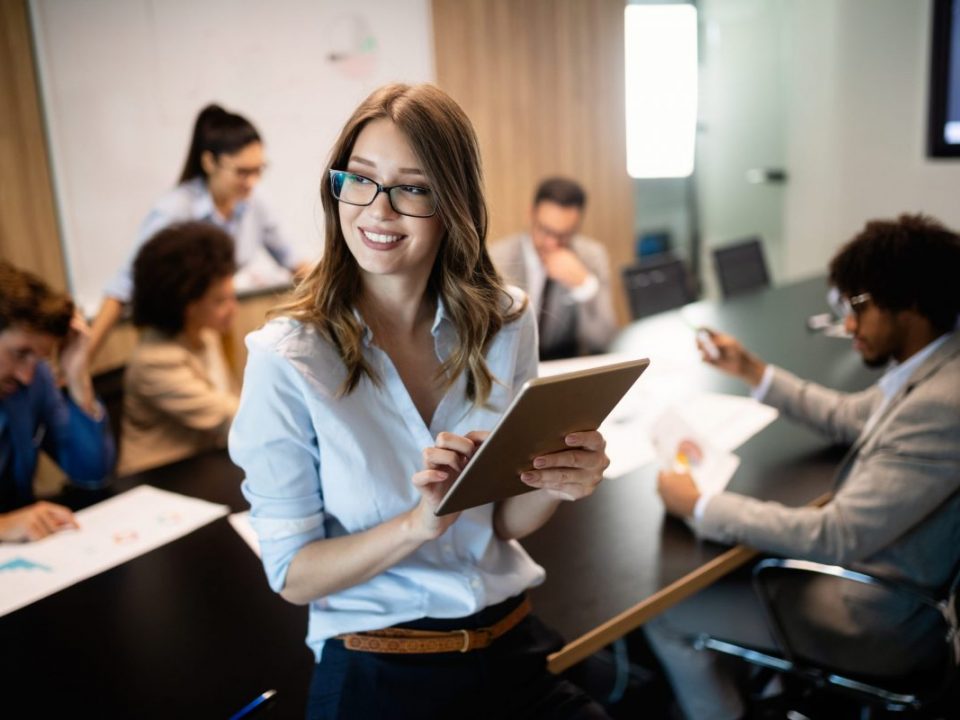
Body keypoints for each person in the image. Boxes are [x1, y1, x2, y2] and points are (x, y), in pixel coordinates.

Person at [230, 83, 613, 719]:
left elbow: (497, 523)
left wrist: (554, 482)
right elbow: (293, 574)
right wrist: (416, 525)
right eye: (360, 180)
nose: (378, 212)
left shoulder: (506, 320)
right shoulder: (286, 359)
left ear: (452, 203)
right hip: (381, 670)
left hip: (510, 647)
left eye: (412, 187)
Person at [647, 213, 960, 720]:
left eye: (859, 307)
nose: (849, 325)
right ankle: (769, 686)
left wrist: (700, 503)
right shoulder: (938, 363)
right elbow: (849, 415)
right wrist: (752, 371)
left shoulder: (940, 405)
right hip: (896, 586)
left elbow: (834, 535)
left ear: (913, 306)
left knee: (667, 613)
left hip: (879, 622)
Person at [87, 103, 313, 361]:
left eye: (258, 170)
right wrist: (83, 362)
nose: (252, 182)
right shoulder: (174, 211)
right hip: (172, 337)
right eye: (242, 172)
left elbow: (295, 261)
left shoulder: (254, 202)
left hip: (214, 326)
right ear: (208, 162)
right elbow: (123, 286)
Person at [0, 261, 115, 542]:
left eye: (38, 358)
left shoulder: (35, 379)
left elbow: (92, 473)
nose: (27, 375)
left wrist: (77, 375)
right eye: (20, 353)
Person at [118, 222, 240, 475]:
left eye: (232, 296)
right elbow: (226, 417)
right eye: (219, 301)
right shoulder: (155, 361)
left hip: (205, 469)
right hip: (160, 481)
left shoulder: (206, 334)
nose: (233, 308)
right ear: (186, 305)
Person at [489, 177, 617, 360]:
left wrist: (584, 285)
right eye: (545, 230)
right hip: (511, 364)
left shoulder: (590, 257)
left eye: (564, 235)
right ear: (531, 214)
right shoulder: (498, 259)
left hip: (564, 366)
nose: (552, 243)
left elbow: (603, 340)